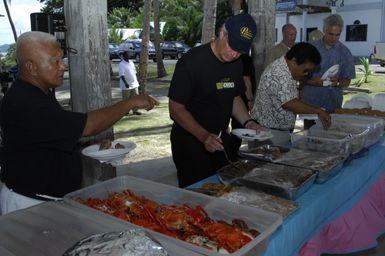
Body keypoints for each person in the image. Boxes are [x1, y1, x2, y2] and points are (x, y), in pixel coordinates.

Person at [0, 31, 158, 214]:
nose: (63, 67)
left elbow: (47, 137)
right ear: (31, 67)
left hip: (46, 200)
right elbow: (88, 125)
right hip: (30, 204)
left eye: (62, 59)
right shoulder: (25, 102)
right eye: (55, 61)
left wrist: (88, 145)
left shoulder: (39, 92)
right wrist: (130, 102)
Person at [168, 14, 261, 188]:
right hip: (191, 141)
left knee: (224, 190)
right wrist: (203, 136)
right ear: (222, 33)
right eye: (232, 46)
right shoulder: (192, 62)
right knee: (197, 195)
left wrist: (247, 121)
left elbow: (232, 95)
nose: (234, 54)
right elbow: (175, 107)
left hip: (218, 138)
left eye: (240, 50)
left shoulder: (236, 63)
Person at [250, 42, 331, 146]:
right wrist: (319, 111)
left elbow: (293, 93)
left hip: (278, 132)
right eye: (305, 70)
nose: (306, 74)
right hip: (268, 134)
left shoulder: (288, 69)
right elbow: (289, 103)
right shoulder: (278, 73)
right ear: (294, 61)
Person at [301, 14, 355, 129]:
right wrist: (312, 82)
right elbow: (300, 77)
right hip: (310, 104)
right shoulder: (311, 49)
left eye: (337, 35)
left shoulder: (345, 53)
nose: (334, 38)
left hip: (332, 105)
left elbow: (347, 80)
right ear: (324, 30)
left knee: (329, 139)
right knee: (310, 137)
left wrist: (339, 83)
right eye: (331, 34)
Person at [118, 51, 141, 115]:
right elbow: (121, 75)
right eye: (127, 56)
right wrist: (125, 83)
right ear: (124, 56)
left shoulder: (131, 62)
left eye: (129, 55)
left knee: (135, 98)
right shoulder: (121, 64)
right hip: (126, 85)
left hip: (134, 84)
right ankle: (125, 111)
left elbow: (134, 72)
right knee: (126, 100)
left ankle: (135, 110)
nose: (129, 57)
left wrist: (137, 80)